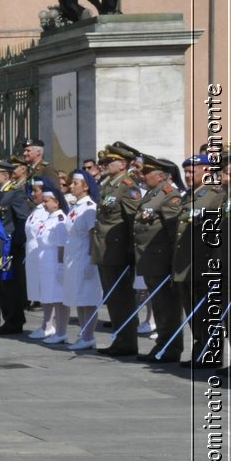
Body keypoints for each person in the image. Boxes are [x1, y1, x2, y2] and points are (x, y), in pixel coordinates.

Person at [172, 152, 227, 369]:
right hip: (187, 263)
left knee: (207, 312)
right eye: (185, 171)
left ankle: (211, 353)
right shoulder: (189, 195)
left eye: (191, 171)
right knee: (194, 312)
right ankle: (200, 350)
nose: (187, 175)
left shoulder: (214, 194)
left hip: (203, 262)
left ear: (206, 171)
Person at [130, 152, 184, 364]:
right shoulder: (152, 194)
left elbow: (174, 233)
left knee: (167, 307)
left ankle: (169, 348)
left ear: (161, 176)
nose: (143, 175)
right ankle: (162, 344)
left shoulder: (169, 195)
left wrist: (173, 262)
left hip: (162, 261)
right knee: (159, 306)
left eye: (147, 172)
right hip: (150, 260)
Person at [94, 143, 143, 356]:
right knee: (112, 299)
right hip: (105, 251)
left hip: (119, 252)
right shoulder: (108, 185)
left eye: (108, 161)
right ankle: (120, 339)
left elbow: (134, 221)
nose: (104, 165)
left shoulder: (127, 186)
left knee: (122, 298)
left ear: (122, 164)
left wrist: (131, 253)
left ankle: (127, 342)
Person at [64, 169, 102, 349]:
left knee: (88, 299)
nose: (71, 186)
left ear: (86, 186)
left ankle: (89, 336)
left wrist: (92, 261)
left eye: (75, 183)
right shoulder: (75, 206)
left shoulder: (89, 208)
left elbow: (93, 235)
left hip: (85, 258)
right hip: (73, 258)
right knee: (78, 299)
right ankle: (83, 333)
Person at [30, 185, 70, 343]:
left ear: (57, 202)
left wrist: (61, 267)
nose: (44, 204)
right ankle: (50, 327)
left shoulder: (60, 220)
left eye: (47, 201)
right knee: (48, 296)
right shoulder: (50, 217)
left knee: (59, 298)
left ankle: (62, 332)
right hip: (45, 261)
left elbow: (62, 244)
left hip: (54, 261)